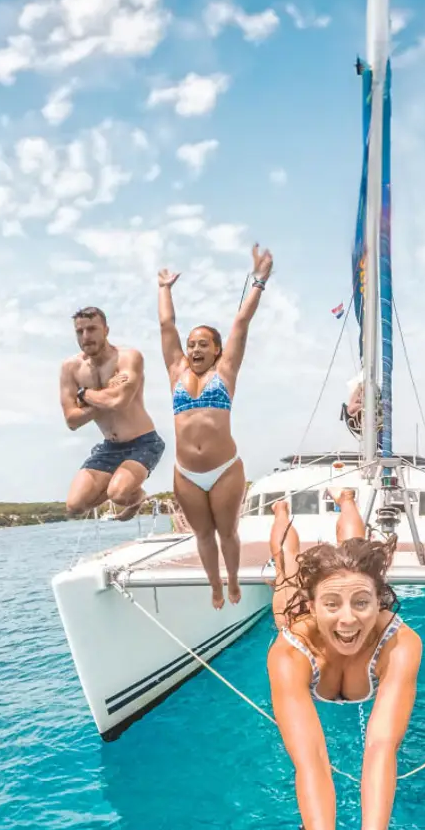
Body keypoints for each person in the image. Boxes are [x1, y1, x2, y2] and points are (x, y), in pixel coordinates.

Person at [266, 488, 423, 830]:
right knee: (286, 564)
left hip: (359, 586)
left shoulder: (399, 643)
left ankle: (347, 501)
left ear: (381, 602)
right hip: (295, 606)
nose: (348, 621)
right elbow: (311, 760)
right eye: (330, 605)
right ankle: (281, 515)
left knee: (353, 557)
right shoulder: (290, 651)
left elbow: (380, 746)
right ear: (313, 607)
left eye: (363, 604)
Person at [156, 245, 272, 608]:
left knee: (227, 532)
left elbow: (240, 323)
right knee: (203, 535)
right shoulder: (176, 371)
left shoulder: (225, 372)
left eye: (203, 344)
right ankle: (215, 586)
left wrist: (259, 280)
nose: (194, 349)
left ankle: (234, 579)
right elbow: (166, 325)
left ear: (218, 350)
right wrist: (164, 288)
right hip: (186, 472)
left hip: (224, 469)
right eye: (191, 345)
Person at [57, 306, 166, 521]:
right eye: (80, 332)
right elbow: (71, 420)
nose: (86, 337)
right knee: (75, 506)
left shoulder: (128, 357)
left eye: (92, 329)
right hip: (110, 446)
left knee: (117, 494)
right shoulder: (71, 368)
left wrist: (84, 394)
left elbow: (119, 401)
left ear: (106, 330)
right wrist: (100, 396)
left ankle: (132, 494)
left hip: (143, 442)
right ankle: (137, 495)